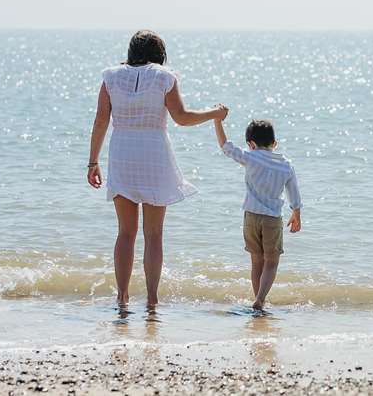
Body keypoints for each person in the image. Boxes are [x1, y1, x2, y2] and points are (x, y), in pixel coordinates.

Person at [87, 30, 225, 308]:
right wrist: (215, 113)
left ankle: (122, 297)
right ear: (159, 53)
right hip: (154, 154)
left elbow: (101, 120)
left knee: (125, 233)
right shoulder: (164, 77)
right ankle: (151, 299)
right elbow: (182, 118)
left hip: (122, 152)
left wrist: (93, 162)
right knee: (154, 234)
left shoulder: (111, 77)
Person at [213, 109, 302, 311]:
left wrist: (217, 121)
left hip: (250, 218)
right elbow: (293, 192)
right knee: (271, 262)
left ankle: (258, 300)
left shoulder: (250, 157)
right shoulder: (286, 164)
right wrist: (296, 213)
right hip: (272, 219)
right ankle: (261, 299)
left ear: (251, 144)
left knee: (256, 262)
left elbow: (226, 147)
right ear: (275, 143)